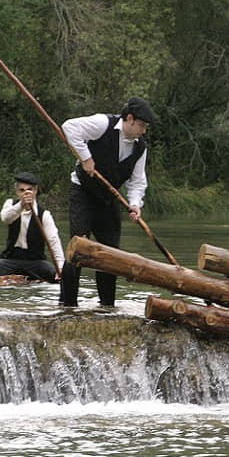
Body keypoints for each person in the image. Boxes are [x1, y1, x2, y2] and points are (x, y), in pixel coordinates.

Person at [58, 97, 155, 307]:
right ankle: (67, 306)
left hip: (108, 199)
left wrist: (135, 204)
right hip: (83, 192)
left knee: (111, 254)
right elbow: (69, 127)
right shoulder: (103, 123)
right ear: (129, 119)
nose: (143, 131)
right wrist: (85, 157)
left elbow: (138, 181)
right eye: (141, 125)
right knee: (79, 247)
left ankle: (107, 307)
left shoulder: (140, 147)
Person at [0, 172, 64, 282]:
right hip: (11, 260)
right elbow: (5, 218)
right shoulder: (10, 204)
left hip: (35, 262)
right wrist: (21, 205)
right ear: (17, 192)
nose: (26, 193)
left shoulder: (44, 215)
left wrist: (60, 267)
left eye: (29, 190)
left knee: (57, 278)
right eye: (21, 190)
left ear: (35, 191)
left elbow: (54, 241)